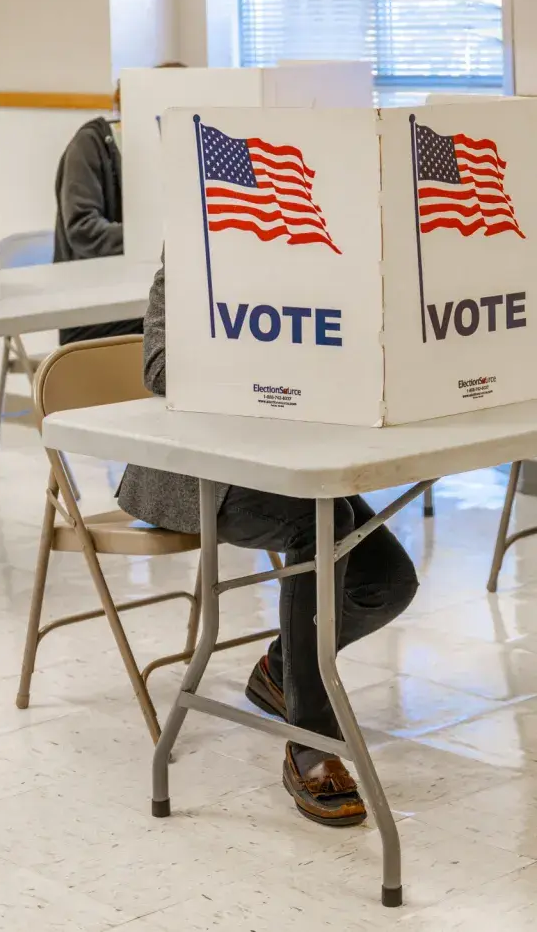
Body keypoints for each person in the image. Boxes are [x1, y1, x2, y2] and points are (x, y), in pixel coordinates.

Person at [116, 260, 418, 828]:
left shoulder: (326, 251)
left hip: (294, 454)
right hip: (200, 468)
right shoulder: (199, 248)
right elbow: (159, 367)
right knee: (321, 529)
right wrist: (271, 344)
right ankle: (311, 742)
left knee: (387, 582)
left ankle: (281, 672)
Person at [52, 62, 185, 346]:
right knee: (182, 324)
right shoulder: (90, 145)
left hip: (144, 295)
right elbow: (83, 229)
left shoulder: (173, 150)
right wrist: (162, 240)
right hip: (93, 311)